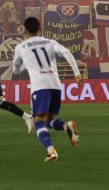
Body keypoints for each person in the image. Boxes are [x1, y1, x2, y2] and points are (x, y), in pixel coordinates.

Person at [12, 17, 82, 162]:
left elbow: (16, 70)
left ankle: (51, 152)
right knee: (50, 119)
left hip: (40, 87)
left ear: (24, 30)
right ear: (40, 29)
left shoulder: (21, 47)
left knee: (39, 122)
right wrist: (76, 73)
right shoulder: (50, 42)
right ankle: (66, 126)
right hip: (55, 86)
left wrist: (25, 65)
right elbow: (67, 52)